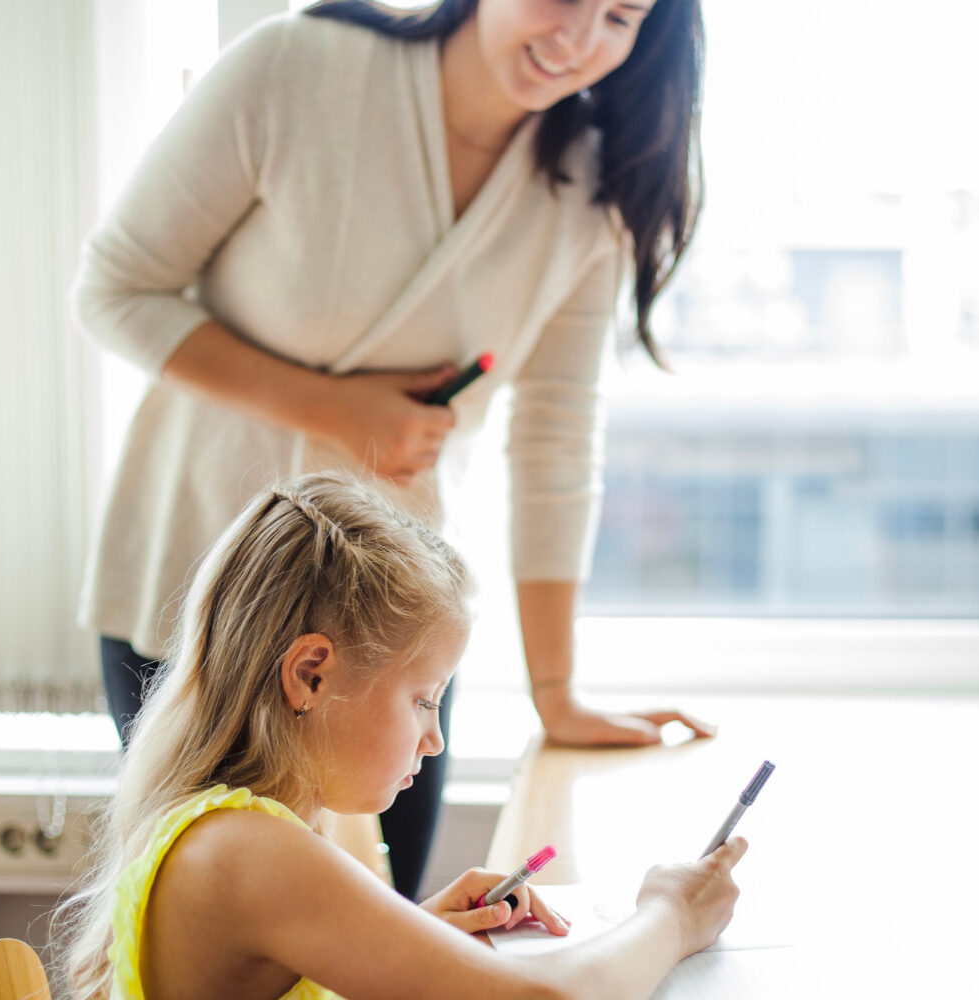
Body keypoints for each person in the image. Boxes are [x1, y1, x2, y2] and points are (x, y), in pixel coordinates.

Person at [71, 0, 712, 899]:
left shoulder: (592, 191)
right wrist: (334, 408)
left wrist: (556, 691)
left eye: (618, 15)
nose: (576, 38)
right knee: (207, 938)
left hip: (394, 631)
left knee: (383, 935)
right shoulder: (294, 69)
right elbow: (114, 289)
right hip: (198, 586)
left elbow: (556, 439)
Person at [54, 473, 747, 1000]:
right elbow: (550, 996)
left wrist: (420, 933)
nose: (434, 739)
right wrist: (672, 913)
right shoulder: (248, 851)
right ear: (311, 676)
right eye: (422, 699)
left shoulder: (232, 831)